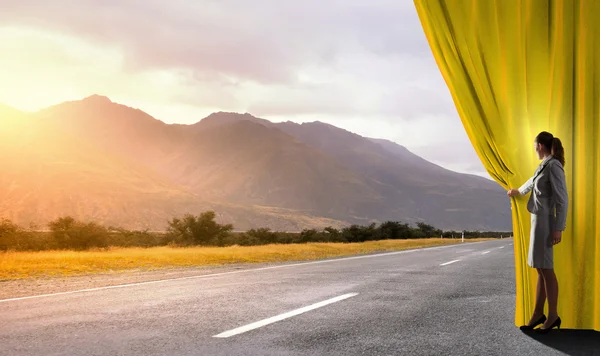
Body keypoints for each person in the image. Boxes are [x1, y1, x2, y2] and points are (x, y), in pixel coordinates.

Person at [507, 131, 568, 333]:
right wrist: (519, 191)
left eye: (535, 146)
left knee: (546, 269)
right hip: (537, 221)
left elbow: (562, 199)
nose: (534, 149)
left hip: (546, 222)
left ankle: (552, 315)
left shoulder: (554, 166)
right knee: (540, 268)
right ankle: (537, 314)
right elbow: (533, 181)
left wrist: (558, 227)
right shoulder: (544, 165)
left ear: (540, 145)